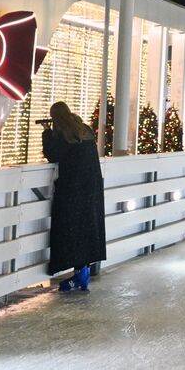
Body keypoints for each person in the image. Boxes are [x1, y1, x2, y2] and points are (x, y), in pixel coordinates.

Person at [42, 102, 107, 292]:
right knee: (86, 230)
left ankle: (80, 274)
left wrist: (46, 133)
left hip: (72, 191)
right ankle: (82, 273)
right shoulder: (83, 129)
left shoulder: (63, 134)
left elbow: (52, 155)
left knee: (71, 231)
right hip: (92, 188)